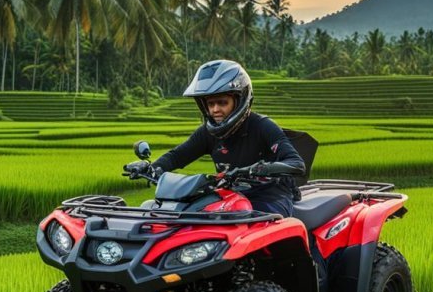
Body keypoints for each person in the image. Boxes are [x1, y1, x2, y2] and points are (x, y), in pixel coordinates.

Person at [126, 59, 305, 217]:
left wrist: (261, 169)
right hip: (231, 196)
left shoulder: (262, 126)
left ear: (239, 99)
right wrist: (152, 167)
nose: (215, 110)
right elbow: (177, 156)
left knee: (259, 226)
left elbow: (296, 163)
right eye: (211, 104)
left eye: (222, 102)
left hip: (270, 195)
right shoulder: (208, 132)